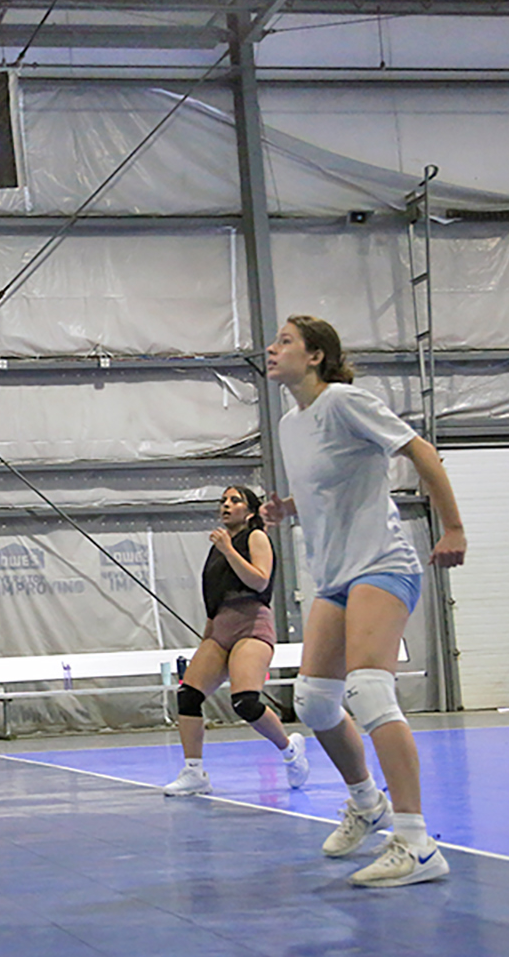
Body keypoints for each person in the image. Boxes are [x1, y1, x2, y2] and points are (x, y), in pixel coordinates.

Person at [262, 315, 467, 888]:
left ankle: (417, 842)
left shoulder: (346, 402)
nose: (271, 349)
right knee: (316, 701)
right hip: (332, 574)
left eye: (284, 342)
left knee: (370, 688)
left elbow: (419, 451)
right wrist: (289, 509)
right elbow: (329, 485)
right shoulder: (289, 424)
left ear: (316, 356)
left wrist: (452, 528)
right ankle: (365, 801)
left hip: (382, 563)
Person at [163, 486, 308, 796]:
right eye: (223, 501)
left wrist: (229, 549)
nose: (226, 505)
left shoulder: (255, 537)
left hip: (251, 625)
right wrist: (206, 639)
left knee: (245, 702)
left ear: (250, 511)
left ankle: (289, 750)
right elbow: (215, 599)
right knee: (188, 695)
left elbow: (259, 579)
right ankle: (194, 772)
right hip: (220, 628)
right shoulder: (217, 548)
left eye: (235, 500)